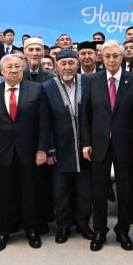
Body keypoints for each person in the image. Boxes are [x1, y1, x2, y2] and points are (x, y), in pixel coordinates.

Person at [0, 54, 52, 251]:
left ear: (23, 69)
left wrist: (42, 149)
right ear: (2, 71)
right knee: (2, 193)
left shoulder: (36, 89)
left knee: (30, 192)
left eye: (17, 67)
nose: (13, 70)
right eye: (9, 67)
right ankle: (2, 231)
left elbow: (44, 122)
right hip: (1, 151)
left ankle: (32, 230)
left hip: (29, 151)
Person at [81, 42, 133, 251]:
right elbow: (86, 116)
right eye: (107, 56)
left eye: (115, 56)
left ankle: (122, 230)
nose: (111, 60)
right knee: (98, 191)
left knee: (125, 190)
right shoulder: (91, 80)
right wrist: (86, 143)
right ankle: (99, 230)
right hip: (98, 144)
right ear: (101, 57)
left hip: (125, 144)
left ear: (122, 57)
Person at [41, 49, 93, 243]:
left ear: (77, 64)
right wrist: (49, 149)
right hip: (59, 149)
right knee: (60, 191)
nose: (67, 67)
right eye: (63, 64)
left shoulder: (88, 83)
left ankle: (83, 224)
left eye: (71, 63)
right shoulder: (47, 87)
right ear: (56, 66)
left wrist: (90, 143)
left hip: (85, 148)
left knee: (84, 190)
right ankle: (63, 225)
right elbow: (44, 121)